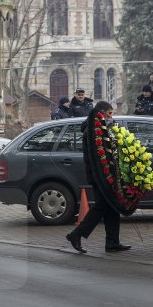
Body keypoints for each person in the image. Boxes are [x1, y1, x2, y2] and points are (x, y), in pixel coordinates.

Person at [65, 101, 131, 254]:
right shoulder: (92, 131)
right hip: (100, 176)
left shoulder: (102, 129)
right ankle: (76, 234)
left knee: (112, 207)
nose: (111, 116)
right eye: (109, 113)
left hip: (106, 175)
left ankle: (112, 242)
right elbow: (98, 156)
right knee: (101, 206)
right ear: (100, 113)